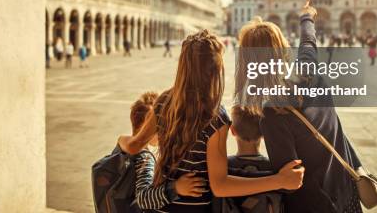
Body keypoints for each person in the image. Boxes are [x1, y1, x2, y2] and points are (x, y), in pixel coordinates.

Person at [118, 30, 304, 212]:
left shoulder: (164, 102)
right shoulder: (215, 117)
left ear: (183, 67)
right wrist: (279, 180)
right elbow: (220, 185)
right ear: (216, 72)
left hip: (162, 206)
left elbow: (134, 145)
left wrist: (121, 139)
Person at [234, 0, 364, 213]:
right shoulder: (310, 73)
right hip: (347, 192)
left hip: (316, 206)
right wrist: (307, 16)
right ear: (283, 49)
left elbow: (290, 180)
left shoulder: (273, 112)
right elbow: (308, 44)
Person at [129, 92, 207, 210]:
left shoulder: (126, 149)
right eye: (160, 122)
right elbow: (142, 199)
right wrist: (176, 188)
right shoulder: (146, 158)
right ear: (147, 126)